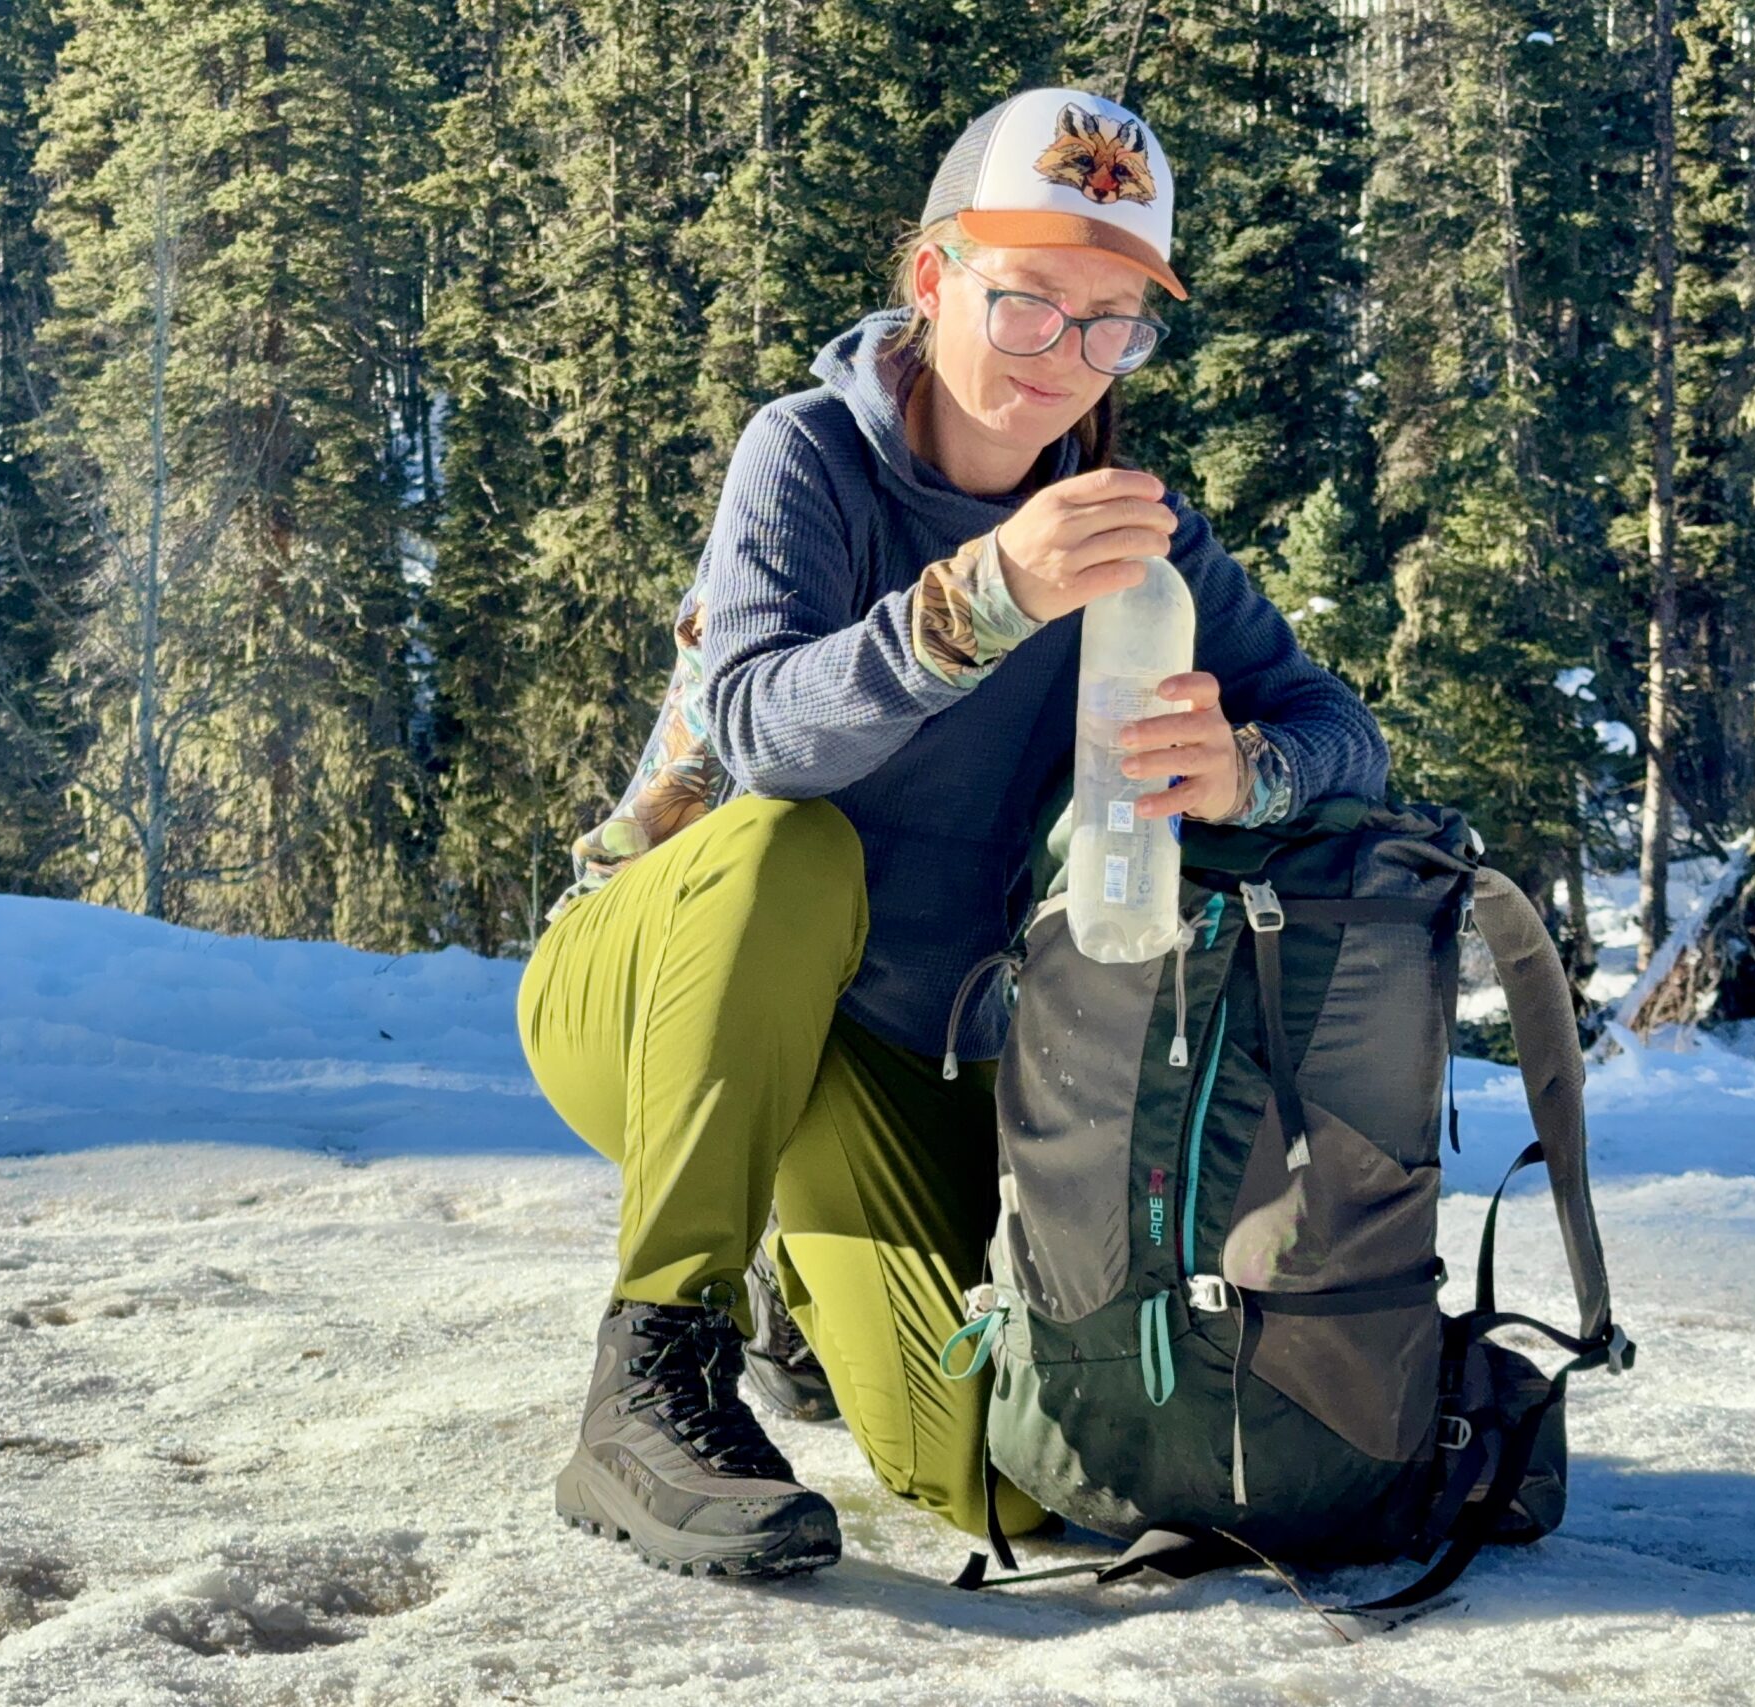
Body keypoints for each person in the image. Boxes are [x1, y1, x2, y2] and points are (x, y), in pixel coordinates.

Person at [515, 86, 1390, 1578]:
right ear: (932, 282)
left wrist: (1249, 769)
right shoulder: (808, 458)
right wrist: (979, 601)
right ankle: (653, 1364)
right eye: (1032, 304)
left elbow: (1345, 734)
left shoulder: (1136, 538)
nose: (1074, 358)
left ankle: (803, 1272)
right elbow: (759, 738)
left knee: (1011, 1476)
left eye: (1115, 321)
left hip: (886, 1054)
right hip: (656, 983)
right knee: (795, 848)